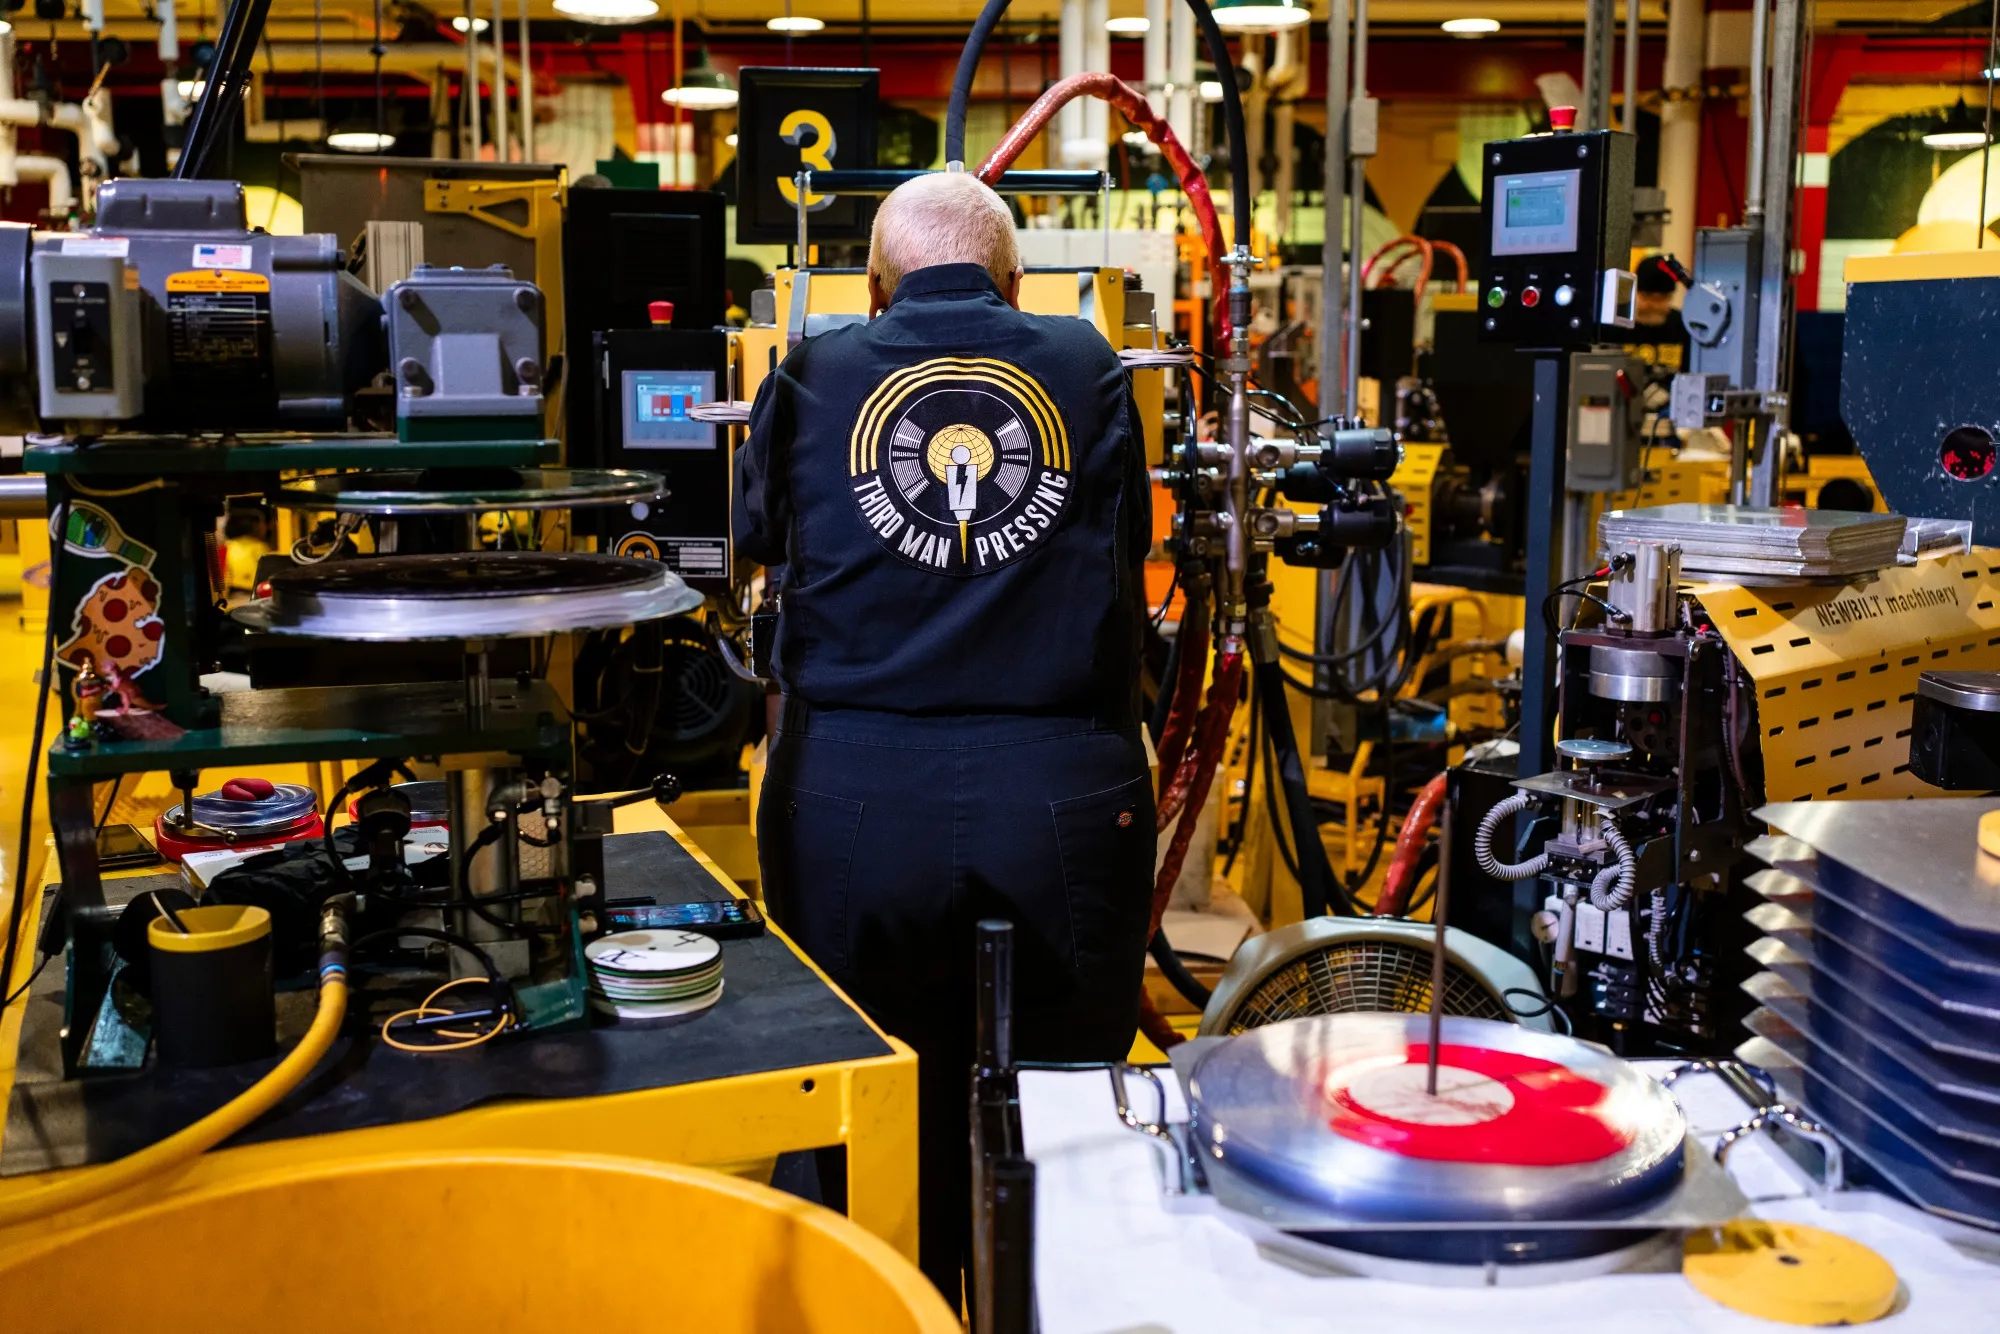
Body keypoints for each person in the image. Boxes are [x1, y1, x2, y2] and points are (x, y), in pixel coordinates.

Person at [734, 170, 1154, 1301]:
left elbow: (755, 533)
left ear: (874, 287)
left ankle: (883, 1303)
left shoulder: (811, 369)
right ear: (1012, 280)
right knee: (1068, 1108)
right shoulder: (1085, 363)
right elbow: (1130, 539)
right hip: (1061, 788)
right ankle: (1055, 1305)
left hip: (853, 796)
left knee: (861, 1098)